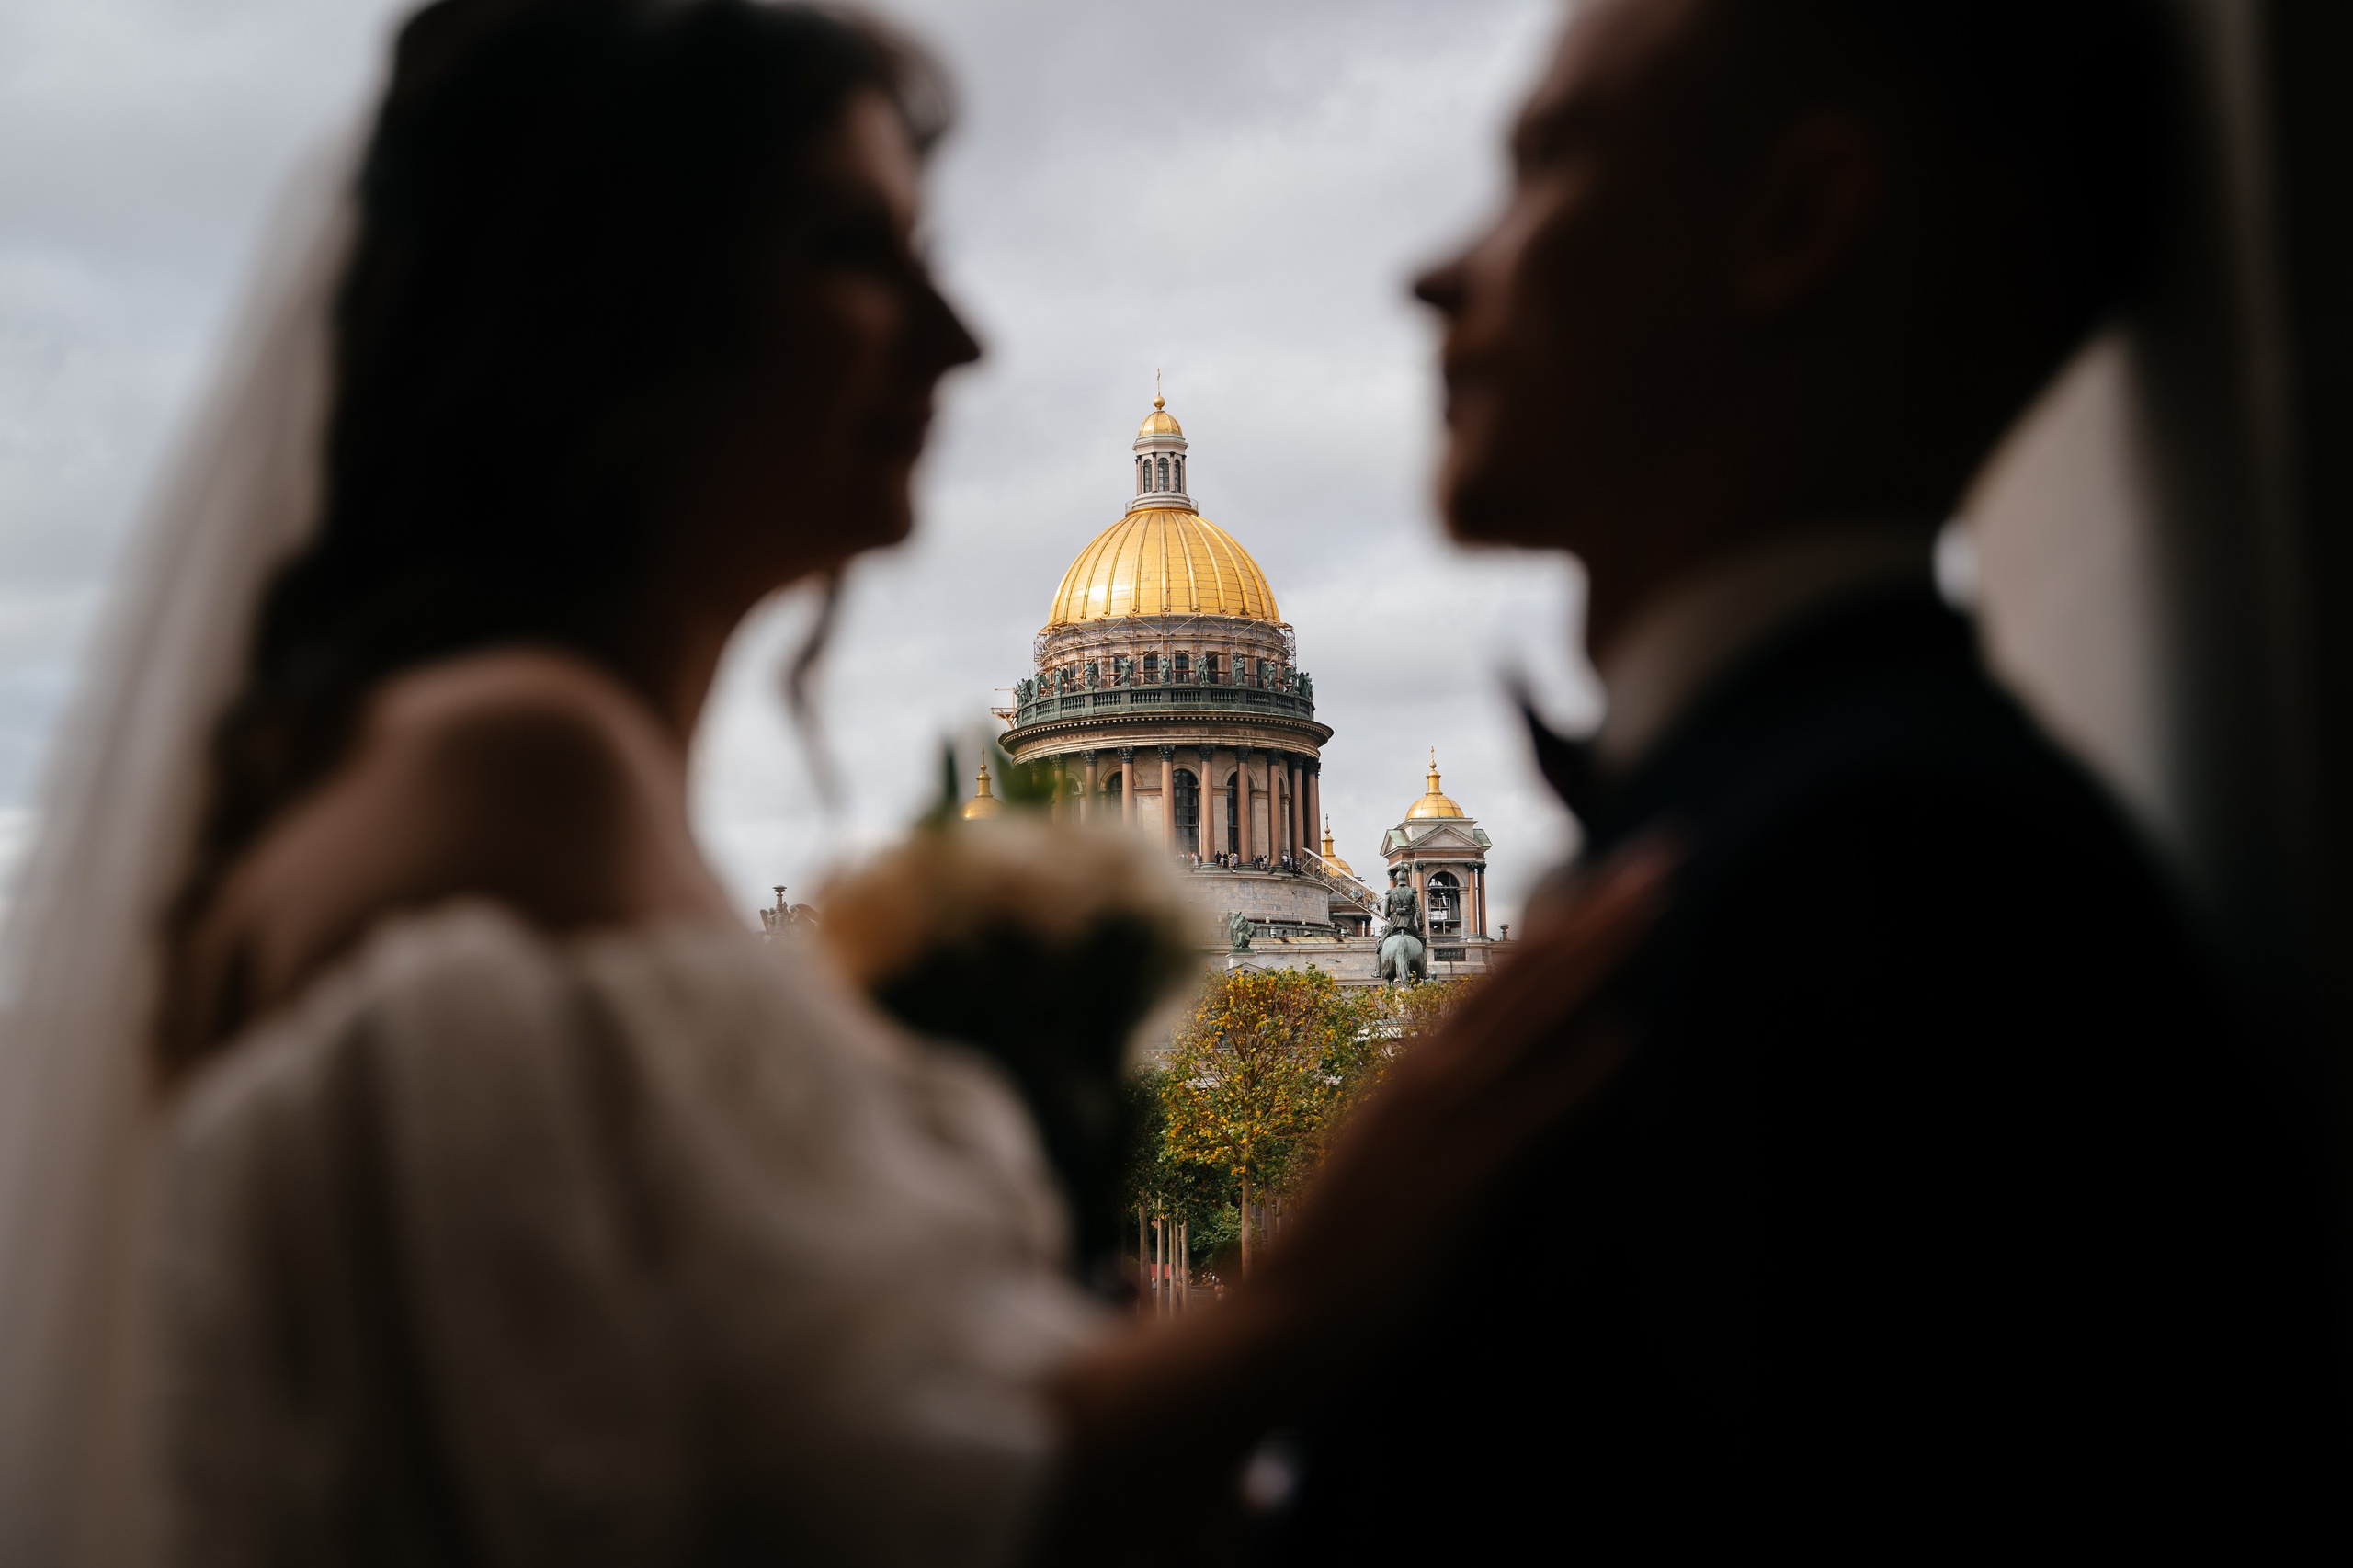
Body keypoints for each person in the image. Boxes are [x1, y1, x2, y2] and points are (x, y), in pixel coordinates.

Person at [0, 2, 1671, 1562]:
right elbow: (868, 1498)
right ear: (625, 312)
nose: (955, 336)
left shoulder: (447, 757)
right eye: (856, 250)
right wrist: (1317, 1285)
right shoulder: (524, 768)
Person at [1272, 0, 2350, 1554]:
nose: (1436, 269)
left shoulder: (1889, 893)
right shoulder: (1847, 830)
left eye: (1548, 163)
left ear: (1797, 222)